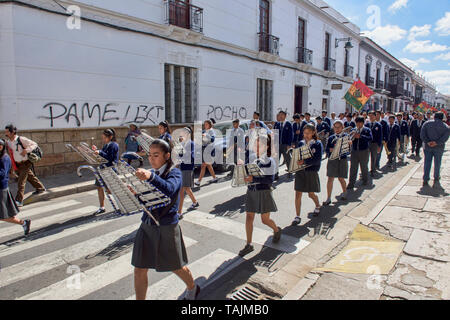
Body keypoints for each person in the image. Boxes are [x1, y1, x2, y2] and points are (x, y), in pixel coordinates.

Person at [132, 139, 199, 300]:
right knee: (139, 268)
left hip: (166, 227)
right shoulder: (153, 173)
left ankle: (193, 287)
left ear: (167, 156)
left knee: (176, 267)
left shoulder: (174, 173)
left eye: (156, 155)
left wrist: (150, 178)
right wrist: (137, 194)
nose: (151, 159)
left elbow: (169, 191)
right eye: (150, 155)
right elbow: (150, 199)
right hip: (147, 224)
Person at [238, 132, 281, 257]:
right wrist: (241, 167)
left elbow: (269, 180)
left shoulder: (270, 161)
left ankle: (277, 230)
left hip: (264, 192)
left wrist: (253, 179)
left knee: (265, 220)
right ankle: (249, 244)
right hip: (251, 191)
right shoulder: (251, 157)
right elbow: (246, 171)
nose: (256, 148)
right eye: (255, 145)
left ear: (266, 147)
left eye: (259, 146)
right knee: (249, 217)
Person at [4, 124, 46, 207]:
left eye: (7, 131)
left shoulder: (21, 139)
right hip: (18, 164)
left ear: (13, 132)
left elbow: (34, 144)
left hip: (25, 163)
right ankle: (41, 188)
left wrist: (26, 150)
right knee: (30, 177)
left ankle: (19, 200)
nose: (6, 133)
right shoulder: (9, 142)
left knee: (21, 182)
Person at [292, 124, 323, 226]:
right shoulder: (301, 143)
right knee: (298, 194)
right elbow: (297, 156)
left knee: (311, 194)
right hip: (300, 172)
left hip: (311, 171)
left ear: (313, 133)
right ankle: (297, 216)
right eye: (305, 133)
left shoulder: (317, 144)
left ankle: (317, 205)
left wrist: (305, 161)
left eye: (308, 133)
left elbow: (317, 159)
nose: (306, 135)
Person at [0, 139, 31, 235]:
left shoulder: (5, 158)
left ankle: (23, 222)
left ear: (2, 146)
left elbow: (2, 174)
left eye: (0, 145)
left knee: (4, 216)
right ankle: (24, 223)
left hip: (1, 189)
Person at [91, 129, 119, 215]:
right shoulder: (106, 145)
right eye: (103, 137)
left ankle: (123, 201)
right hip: (102, 169)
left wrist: (99, 152)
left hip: (109, 170)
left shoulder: (114, 145)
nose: (103, 139)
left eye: (105, 137)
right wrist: (97, 152)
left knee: (109, 190)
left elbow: (109, 158)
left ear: (110, 137)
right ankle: (102, 207)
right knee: (99, 187)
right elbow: (103, 156)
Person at [420, 112, 450, 190]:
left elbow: (422, 135)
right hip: (439, 147)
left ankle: (425, 179)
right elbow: (445, 138)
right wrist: (436, 142)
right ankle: (436, 178)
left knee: (427, 163)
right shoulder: (445, 126)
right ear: (442, 118)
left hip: (427, 147)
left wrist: (428, 142)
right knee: (437, 163)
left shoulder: (426, 123)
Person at [323, 121, 349, 206]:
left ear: (342, 128)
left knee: (341, 178)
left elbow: (348, 150)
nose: (337, 129)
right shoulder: (331, 137)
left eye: (339, 127)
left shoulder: (346, 136)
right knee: (330, 178)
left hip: (342, 159)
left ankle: (345, 192)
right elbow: (326, 149)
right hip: (332, 160)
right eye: (335, 127)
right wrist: (330, 150)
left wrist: (340, 149)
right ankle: (328, 197)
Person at [176, 127, 199, 219]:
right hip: (182, 168)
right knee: (186, 188)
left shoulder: (191, 144)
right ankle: (195, 202)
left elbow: (191, 157)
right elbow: (180, 155)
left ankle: (179, 213)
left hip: (188, 168)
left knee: (182, 190)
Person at [347, 117, 373, 190]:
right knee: (353, 168)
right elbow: (349, 138)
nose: (358, 124)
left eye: (359, 122)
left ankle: (365, 180)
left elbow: (370, 138)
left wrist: (361, 136)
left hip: (364, 151)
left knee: (364, 166)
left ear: (362, 123)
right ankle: (351, 183)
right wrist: (350, 140)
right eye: (357, 122)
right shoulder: (353, 130)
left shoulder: (367, 130)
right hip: (354, 151)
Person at [195, 120, 218, 186]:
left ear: (210, 125)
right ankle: (214, 177)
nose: (205, 126)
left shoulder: (211, 131)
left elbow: (212, 139)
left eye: (206, 124)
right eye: (204, 124)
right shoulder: (205, 131)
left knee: (203, 165)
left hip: (208, 150)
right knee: (208, 165)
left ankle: (199, 181)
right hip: (204, 149)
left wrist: (205, 136)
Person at [273, 111, 293, 178]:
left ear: (285, 116)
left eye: (282, 115)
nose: (280, 116)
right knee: (276, 159)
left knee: (287, 158)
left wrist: (289, 144)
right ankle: (275, 174)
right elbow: (274, 134)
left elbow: (290, 135)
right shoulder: (277, 124)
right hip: (277, 145)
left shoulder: (288, 124)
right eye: (279, 115)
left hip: (285, 145)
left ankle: (290, 171)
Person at [365, 111, 383, 176]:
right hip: (367, 143)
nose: (371, 117)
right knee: (366, 158)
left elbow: (380, 136)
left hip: (375, 144)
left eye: (373, 116)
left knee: (373, 157)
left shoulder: (379, 125)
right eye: (370, 116)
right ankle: (365, 171)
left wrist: (379, 146)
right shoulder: (367, 125)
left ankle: (373, 170)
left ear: (375, 117)